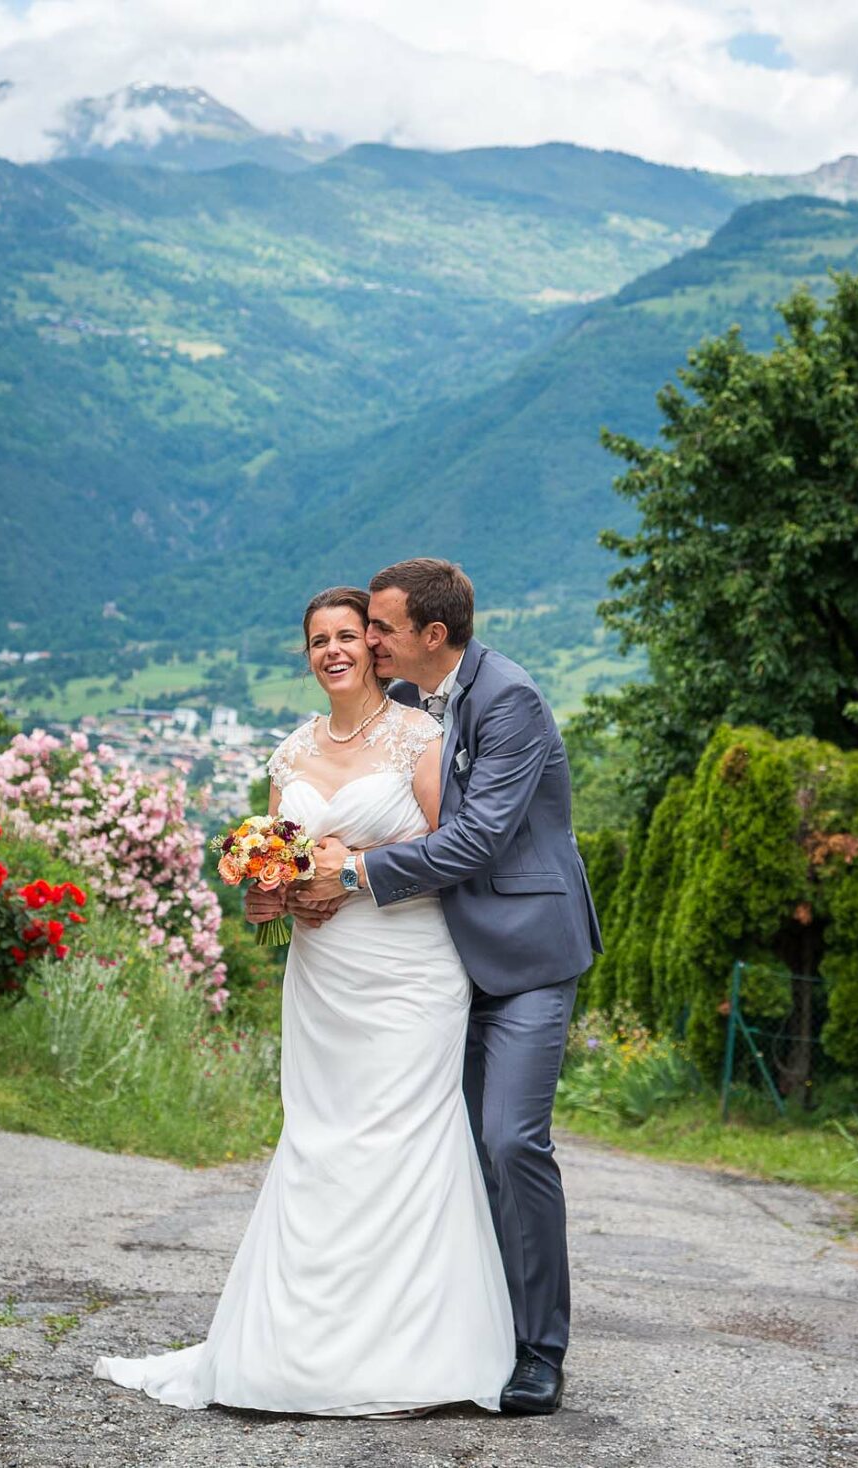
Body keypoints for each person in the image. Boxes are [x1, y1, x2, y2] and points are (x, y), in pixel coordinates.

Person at [93, 586, 515, 1416]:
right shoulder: (289, 753)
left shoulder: (418, 736)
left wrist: (351, 868)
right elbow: (280, 872)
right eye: (318, 639)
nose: (333, 651)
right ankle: (299, 1348)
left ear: (375, 646)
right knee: (321, 1142)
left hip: (409, 967)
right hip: (321, 972)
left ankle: (414, 1353)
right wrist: (267, 896)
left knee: (402, 1139)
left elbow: (451, 851)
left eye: (348, 636)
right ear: (308, 653)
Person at [294, 558, 602, 1416]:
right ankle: (466, 1333)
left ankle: (541, 1349)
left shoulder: (510, 700)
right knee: (445, 1154)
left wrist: (353, 873)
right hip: (437, 963)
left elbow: (477, 841)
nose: (368, 638)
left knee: (509, 1141)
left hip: (528, 956)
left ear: (433, 636)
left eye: (380, 628)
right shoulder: (404, 705)